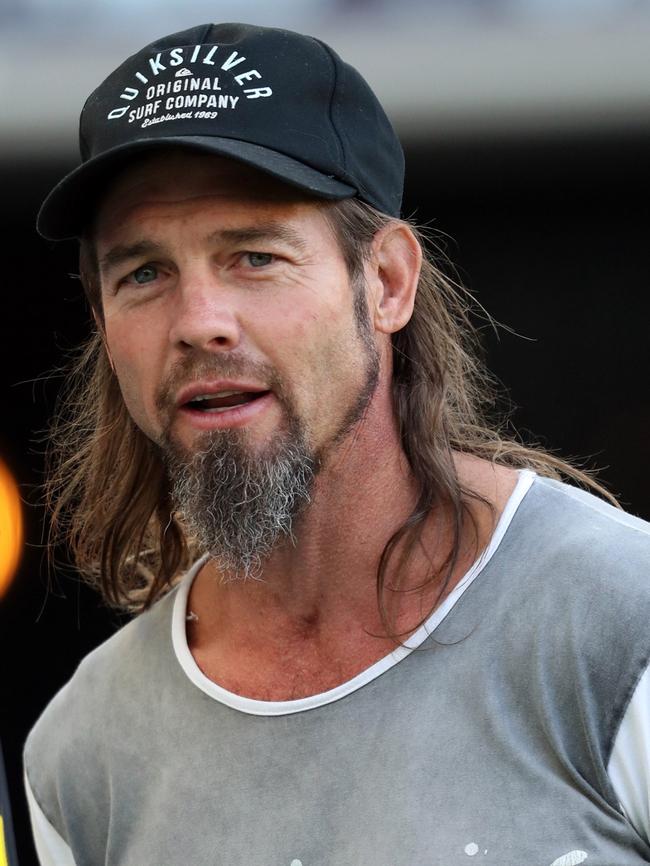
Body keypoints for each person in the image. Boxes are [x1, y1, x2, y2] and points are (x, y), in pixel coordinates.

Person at [24, 21, 650, 866]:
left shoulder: (619, 620)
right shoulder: (82, 752)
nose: (199, 322)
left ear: (387, 282)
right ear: (102, 324)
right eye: (143, 274)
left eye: (254, 256)